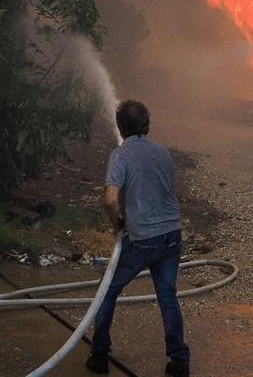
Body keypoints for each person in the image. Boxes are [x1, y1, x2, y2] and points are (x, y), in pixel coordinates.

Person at [86, 100, 190, 377]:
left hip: (143, 238)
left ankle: (99, 355)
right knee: (167, 296)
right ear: (147, 124)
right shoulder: (163, 152)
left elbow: (110, 200)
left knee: (107, 291)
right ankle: (179, 361)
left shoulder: (120, 155)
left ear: (121, 127)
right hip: (172, 235)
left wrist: (117, 223)